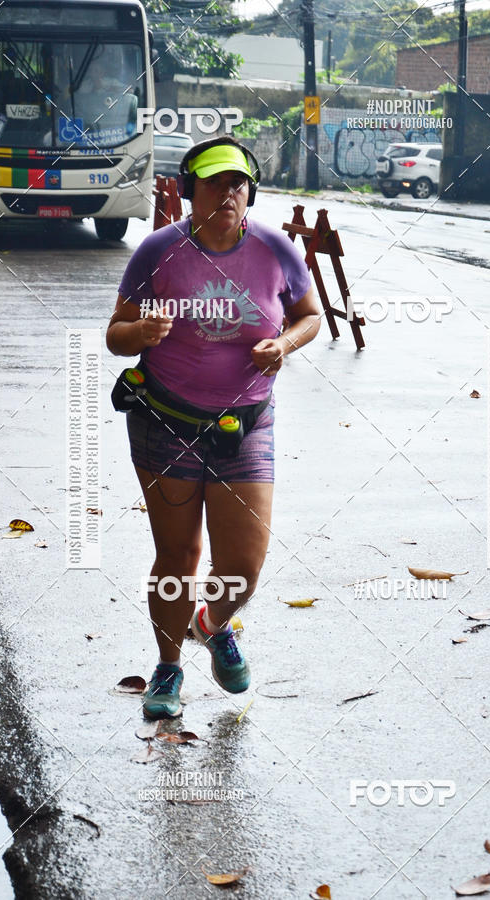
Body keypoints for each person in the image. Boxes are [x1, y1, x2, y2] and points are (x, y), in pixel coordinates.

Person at [106, 136, 321, 719]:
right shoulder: (157, 251)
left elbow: (309, 316)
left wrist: (283, 343)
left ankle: (214, 622)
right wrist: (143, 334)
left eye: (238, 183)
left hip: (244, 423)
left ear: (250, 191)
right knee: (177, 555)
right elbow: (115, 333)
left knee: (244, 569)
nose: (228, 193)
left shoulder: (276, 249)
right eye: (214, 182)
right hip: (165, 421)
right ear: (187, 190)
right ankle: (169, 667)